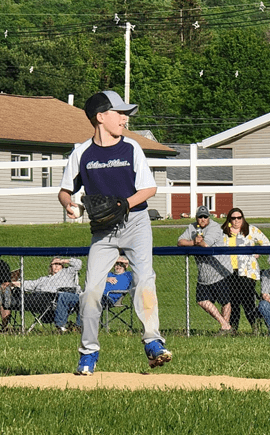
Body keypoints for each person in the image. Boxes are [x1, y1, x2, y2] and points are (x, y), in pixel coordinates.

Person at [58, 90, 171, 376]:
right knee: (92, 293)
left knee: (144, 279)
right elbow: (64, 190)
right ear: (100, 117)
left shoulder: (131, 148)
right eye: (118, 113)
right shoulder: (82, 153)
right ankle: (88, 354)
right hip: (103, 231)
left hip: (136, 222)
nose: (124, 118)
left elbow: (149, 189)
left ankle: (153, 341)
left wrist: (124, 204)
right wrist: (69, 204)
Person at [177, 206, 233, 335]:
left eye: (205, 217)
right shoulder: (192, 227)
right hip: (204, 273)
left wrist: (196, 242)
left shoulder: (214, 227)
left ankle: (225, 329)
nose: (202, 219)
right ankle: (225, 325)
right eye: (200, 217)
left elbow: (205, 244)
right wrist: (194, 242)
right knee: (202, 300)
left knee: (225, 301)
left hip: (220, 271)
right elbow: (180, 242)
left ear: (209, 217)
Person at [220, 207, 270, 334]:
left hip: (247, 272)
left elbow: (266, 243)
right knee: (233, 302)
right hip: (228, 271)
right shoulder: (223, 232)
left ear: (242, 218)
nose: (236, 220)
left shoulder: (251, 230)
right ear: (229, 219)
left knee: (247, 300)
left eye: (239, 218)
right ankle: (233, 329)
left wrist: (257, 253)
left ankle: (255, 328)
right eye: (233, 218)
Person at [56, 255, 135, 330]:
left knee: (88, 298)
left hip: (107, 298)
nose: (118, 266)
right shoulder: (106, 274)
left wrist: (123, 260)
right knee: (64, 296)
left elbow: (137, 266)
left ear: (126, 265)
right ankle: (61, 327)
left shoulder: (129, 275)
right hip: (91, 294)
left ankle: (79, 327)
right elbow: (92, 281)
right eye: (116, 264)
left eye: (121, 264)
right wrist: (105, 279)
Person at [19, 257, 83, 333]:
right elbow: (30, 284)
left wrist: (63, 261)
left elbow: (78, 264)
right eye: (54, 264)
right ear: (50, 267)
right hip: (47, 299)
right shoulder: (44, 279)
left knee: (65, 296)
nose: (56, 266)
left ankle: (64, 326)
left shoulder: (67, 272)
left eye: (58, 264)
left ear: (62, 265)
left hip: (68, 296)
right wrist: (13, 283)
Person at [0, 256, 17, 330]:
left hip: (0, 292)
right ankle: (5, 326)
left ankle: (5, 325)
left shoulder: (3, 266)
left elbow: (6, 283)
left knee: (3, 293)